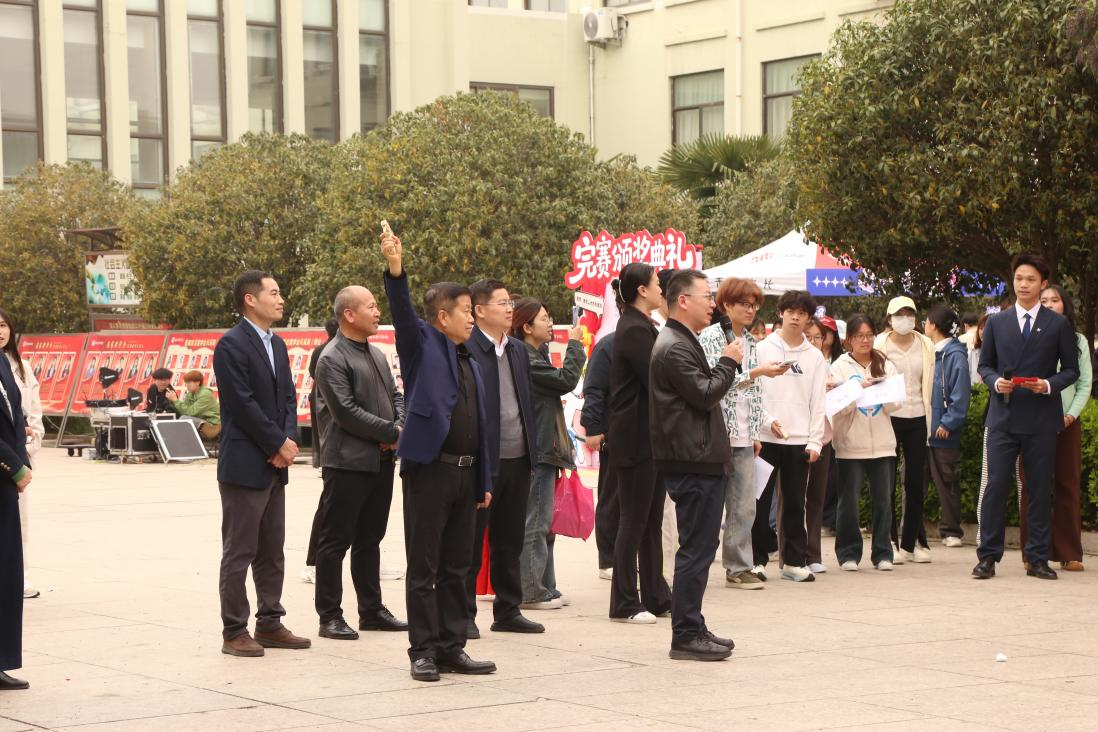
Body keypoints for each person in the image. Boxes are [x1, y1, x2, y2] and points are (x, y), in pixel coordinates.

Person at [380, 231, 496, 681]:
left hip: (467, 475)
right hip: (430, 472)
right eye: (466, 311)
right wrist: (395, 269)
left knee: (458, 567)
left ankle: (452, 646)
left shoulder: (470, 360)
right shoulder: (420, 345)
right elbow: (402, 311)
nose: (472, 318)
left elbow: (480, 425)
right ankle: (423, 651)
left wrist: (484, 480)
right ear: (443, 316)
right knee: (424, 567)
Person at [214, 270, 309, 658]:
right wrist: (276, 442)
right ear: (250, 299)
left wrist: (288, 440)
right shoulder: (231, 345)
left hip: (275, 462)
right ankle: (234, 630)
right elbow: (241, 403)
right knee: (240, 550)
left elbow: (288, 397)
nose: (280, 299)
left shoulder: (278, 343)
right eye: (274, 292)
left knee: (272, 549)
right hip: (245, 462)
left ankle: (269, 622)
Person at [649, 269, 741, 661]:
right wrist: (728, 362)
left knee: (701, 546)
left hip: (698, 456)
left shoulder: (682, 340)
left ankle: (693, 623)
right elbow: (704, 394)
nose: (712, 304)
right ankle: (685, 634)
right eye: (707, 296)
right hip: (692, 459)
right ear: (683, 300)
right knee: (696, 549)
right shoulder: (674, 346)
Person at [974, 253, 1079, 581]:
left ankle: (1037, 558)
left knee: (1038, 488)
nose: (1024, 284)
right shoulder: (997, 322)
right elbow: (984, 365)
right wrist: (995, 382)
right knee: (996, 485)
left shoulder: (1058, 324)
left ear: (1043, 284)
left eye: (1031, 279)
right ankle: (987, 557)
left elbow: (1072, 370)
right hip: (1003, 416)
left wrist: (1047, 385)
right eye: (1019, 278)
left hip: (1041, 418)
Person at [312, 285, 408, 641]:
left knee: (370, 538)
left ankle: (371, 610)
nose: (378, 312)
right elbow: (345, 412)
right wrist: (390, 431)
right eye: (371, 306)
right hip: (347, 463)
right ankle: (329, 616)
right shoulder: (332, 358)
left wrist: (398, 427)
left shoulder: (377, 354)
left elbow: (396, 396)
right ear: (349, 315)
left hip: (380, 460)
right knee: (334, 541)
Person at [464, 279, 542, 638]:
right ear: (479, 310)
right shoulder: (467, 348)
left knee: (510, 540)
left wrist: (532, 453)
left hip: (518, 456)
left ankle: (508, 610)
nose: (510, 308)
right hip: (483, 460)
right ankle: (464, 614)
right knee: (470, 541)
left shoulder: (517, 350)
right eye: (502, 303)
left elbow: (526, 402)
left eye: (510, 302)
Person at [699, 278, 785, 590]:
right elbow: (715, 382)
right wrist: (759, 371)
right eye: (744, 304)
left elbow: (753, 394)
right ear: (726, 305)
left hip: (746, 436)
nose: (750, 310)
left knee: (745, 506)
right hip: (718, 434)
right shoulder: (711, 336)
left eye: (754, 305)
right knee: (710, 507)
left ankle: (738, 568)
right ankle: (697, 565)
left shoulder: (750, 341)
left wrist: (762, 425)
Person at [607, 263, 672, 623]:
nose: (662, 290)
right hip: (634, 439)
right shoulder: (633, 328)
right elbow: (658, 378)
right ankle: (624, 602)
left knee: (650, 521)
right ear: (642, 291)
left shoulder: (643, 325)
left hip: (649, 438)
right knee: (633, 520)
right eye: (658, 284)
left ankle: (656, 595)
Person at [511, 300, 585, 611]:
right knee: (537, 522)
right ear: (527, 327)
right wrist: (576, 346)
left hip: (547, 449)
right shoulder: (527, 358)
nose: (550, 322)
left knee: (546, 523)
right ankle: (531, 591)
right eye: (544, 318)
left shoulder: (534, 354)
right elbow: (566, 380)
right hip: (539, 451)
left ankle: (546, 586)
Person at [754, 290, 827, 582]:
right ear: (781, 313)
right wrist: (767, 421)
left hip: (799, 440)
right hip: (765, 439)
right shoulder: (762, 349)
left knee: (796, 503)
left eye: (802, 313)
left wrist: (815, 441)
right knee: (760, 503)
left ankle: (794, 561)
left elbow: (818, 402)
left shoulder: (815, 357)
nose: (796, 318)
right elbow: (753, 393)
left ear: (809, 319)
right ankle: (757, 560)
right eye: (790, 312)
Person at [1017, 285, 1092, 571]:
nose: (1049, 304)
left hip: (1066, 422)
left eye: (1055, 300)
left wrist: (1070, 415)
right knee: (1032, 485)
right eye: (1044, 300)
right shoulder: (1027, 335)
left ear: (1065, 305)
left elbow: (1084, 383)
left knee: (1067, 484)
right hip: (1033, 420)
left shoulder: (1078, 340)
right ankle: (1032, 552)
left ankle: (1069, 552)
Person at [830, 314, 901, 571]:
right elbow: (837, 406)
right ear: (849, 339)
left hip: (883, 444)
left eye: (869, 335)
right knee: (848, 503)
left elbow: (896, 403)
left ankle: (883, 553)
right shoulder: (839, 367)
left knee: (883, 502)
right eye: (859, 336)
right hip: (850, 445)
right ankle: (848, 553)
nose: (865, 340)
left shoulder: (885, 364)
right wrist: (857, 389)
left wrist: (880, 390)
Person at [875, 296, 935, 565]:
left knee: (915, 482)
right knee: (886, 482)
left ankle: (914, 542)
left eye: (910, 314)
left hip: (918, 416)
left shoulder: (926, 344)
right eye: (899, 314)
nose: (905, 319)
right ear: (889, 318)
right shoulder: (879, 344)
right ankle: (889, 541)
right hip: (890, 416)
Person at [0, 309, 43, 600]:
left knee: (19, 523)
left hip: (20, 457)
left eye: (4, 325)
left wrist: (25, 454)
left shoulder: (21, 367)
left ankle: (21, 578)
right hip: (6, 458)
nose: (0, 331)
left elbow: (33, 414)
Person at [924, 305, 971, 548]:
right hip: (922, 429)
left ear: (933, 325)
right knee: (911, 482)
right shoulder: (928, 352)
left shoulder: (954, 355)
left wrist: (948, 422)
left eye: (926, 321)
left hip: (943, 432)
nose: (924, 325)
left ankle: (951, 531)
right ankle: (910, 531)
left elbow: (960, 394)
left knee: (948, 483)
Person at [0, 340, 32, 690]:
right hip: (4, 470)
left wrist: (23, 462)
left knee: (6, 572)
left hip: (5, 482)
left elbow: (14, 415)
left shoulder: (3, 362)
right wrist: (13, 465)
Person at [802, 317, 839, 574]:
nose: (814, 342)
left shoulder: (824, 365)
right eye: (809, 337)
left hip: (822, 438)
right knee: (793, 499)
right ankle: (792, 552)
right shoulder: (793, 361)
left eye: (818, 337)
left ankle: (813, 553)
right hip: (796, 437)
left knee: (816, 497)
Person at [581, 329, 617, 581]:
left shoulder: (655, 335)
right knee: (612, 496)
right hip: (615, 433)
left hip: (647, 435)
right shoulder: (608, 345)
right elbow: (594, 388)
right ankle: (608, 558)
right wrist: (593, 427)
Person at [814, 316, 844, 538]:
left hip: (836, 424)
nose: (823, 338)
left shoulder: (840, 361)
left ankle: (831, 519)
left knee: (833, 477)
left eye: (826, 333)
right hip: (816, 427)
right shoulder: (809, 358)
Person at [168, 370, 221, 439]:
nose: (186, 385)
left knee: (184, 418)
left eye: (189, 382)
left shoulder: (205, 394)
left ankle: (173, 440)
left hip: (212, 427)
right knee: (176, 417)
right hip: (200, 421)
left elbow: (191, 412)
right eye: (186, 382)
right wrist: (171, 402)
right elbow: (184, 410)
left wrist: (175, 401)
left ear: (197, 382)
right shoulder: (190, 394)